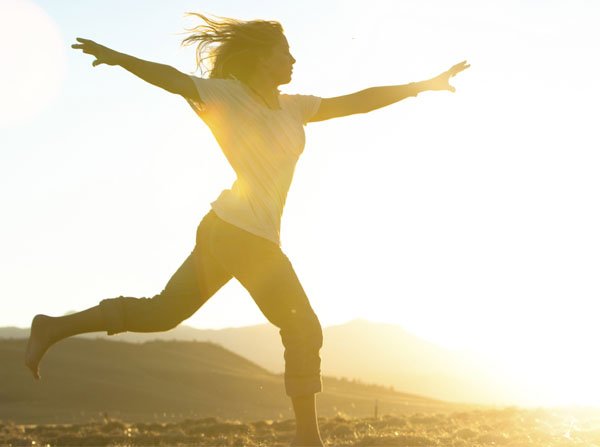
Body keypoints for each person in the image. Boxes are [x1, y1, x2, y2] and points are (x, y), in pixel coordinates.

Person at [25, 14, 469, 447]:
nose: (293, 59)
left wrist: (420, 87)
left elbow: (355, 101)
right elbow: (171, 78)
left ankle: (52, 327)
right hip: (241, 234)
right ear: (261, 59)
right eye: (285, 52)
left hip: (231, 230)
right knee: (302, 327)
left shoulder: (296, 107)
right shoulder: (227, 96)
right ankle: (307, 438)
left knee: (162, 313)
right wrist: (117, 56)